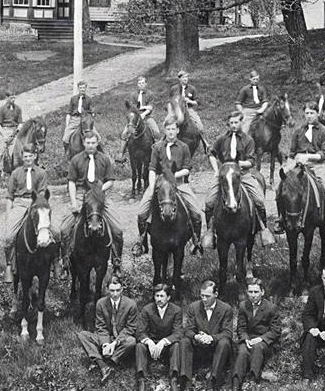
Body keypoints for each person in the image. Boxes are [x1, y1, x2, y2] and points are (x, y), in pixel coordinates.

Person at [135, 118, 204, 256]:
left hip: (179, 183)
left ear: (177, 130)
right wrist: (152, 186)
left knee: (196, 212)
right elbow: (152, 168)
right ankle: (142, 242)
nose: (171, 132)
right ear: (165, 130)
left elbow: (187, 169)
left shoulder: (184, 147)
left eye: (173, 129)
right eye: (168, 129)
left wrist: (173, 175)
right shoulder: (157, 147)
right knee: (142, 212)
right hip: (160, 185)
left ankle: (196, 242)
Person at [60, 132, 124, 277]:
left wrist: (98, 190)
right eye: (88, 143)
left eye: (93, 143)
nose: (90, 146)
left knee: (118, 229)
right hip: (81, 194)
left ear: (97, 143)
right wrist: (74, 202)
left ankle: (116, 262)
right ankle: (65, 263)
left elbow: (110, 180)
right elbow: (71, 182)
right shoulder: (76, 160)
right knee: (64, 229)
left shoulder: (104, 159)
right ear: (84, 143)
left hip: (100, 196)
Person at [280, 101, 325, 235]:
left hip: (318, 165)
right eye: (307, 113)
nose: (309, 116)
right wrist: (288, 166)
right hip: (298, 166)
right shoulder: (298, 131)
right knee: (281, 188)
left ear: (317, 114)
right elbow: (292, 153)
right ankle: (281, 219)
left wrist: (308, 157)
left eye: (312, 113)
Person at [204, 111, 267, 246]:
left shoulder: (248, 140)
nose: (233, 125)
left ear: (241, 122)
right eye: (231, 123)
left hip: (242, 174)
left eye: (236, 122)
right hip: (225, 175)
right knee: (209, 201)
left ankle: (262, 230)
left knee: (259, 200)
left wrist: (239, 165)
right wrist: (217, 170)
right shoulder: (221, 139)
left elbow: (251, 160)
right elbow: (211, 153)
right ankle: (210, 231)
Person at [1, 145, 51, 283]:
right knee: (9, 236)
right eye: (25, 156)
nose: (28, 159)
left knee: (57, 231)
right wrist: (8, 214)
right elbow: (10, 196)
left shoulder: (41, 173)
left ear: (35, 156)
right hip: (20, 203)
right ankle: (10, 265)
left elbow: (42, 193)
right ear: (22, 158)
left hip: (36, 203)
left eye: (30, 156)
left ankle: (57, 261)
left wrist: (37, 207)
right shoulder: (16, 173)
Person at [76, 276, 138, 385]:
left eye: (118, 290)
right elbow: (100, 326)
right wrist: (105, 344)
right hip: (107, 337)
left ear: (122, 289)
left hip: (120, 339)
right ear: (107, 290)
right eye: (112, 290)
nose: (115, 294)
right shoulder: (101, 303)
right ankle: (103, 366)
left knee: (132, 341)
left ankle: (108, 362)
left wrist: (114, 343)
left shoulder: (131, 305)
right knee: (83, 335)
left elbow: (130, 328)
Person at [180, 281, 234, 390]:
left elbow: (227, 332)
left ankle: (213, 381)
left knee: (225, 342)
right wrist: (196, 337)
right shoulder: (193, 307)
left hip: (216, 348)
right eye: (202, 295)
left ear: (216, 294)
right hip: (198, 349)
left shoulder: (226, 309)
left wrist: (211, 338)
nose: (204, 299)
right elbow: (188, 329)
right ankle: (186, 382)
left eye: (207, 296)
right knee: (185, 341)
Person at [231, 278, 281, 389]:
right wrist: (245, 339)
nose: (253, 295)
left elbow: (275, 330)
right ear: (247, 292)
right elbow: (241, 328)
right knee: (242, 351)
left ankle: (253, 380)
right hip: (249, 339)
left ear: (262, 292)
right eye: (250, 292)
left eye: (256, 292)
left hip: (264, 342)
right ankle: (235, 383)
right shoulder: (243, 306)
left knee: (257, 348)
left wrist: (261, 339)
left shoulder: (271, 308)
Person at [135, 284, 183, 391]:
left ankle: (174, 379)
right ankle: (141, 380)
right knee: (139, 346)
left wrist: (164, 341)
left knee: (176, 345)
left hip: (167, 345)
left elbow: (178, 332)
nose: (159, 299)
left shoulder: (176, 310)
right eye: (157, 296)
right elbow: (139, 331)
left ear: (168, 297)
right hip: (151, 345)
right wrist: (149, 342)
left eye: (162, 296)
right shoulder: (147, 309)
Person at [0, 92, 23, 176]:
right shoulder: (1, 109)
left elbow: (20, 122)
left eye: (14, 98)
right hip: (4, 131)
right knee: (2, 147)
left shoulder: (18, 109)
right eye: (11, 98)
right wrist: (4, 135)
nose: (13, 100)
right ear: (6, 98)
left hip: (15, 131)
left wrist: (18, 129)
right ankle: (0, 168)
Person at [235, 70, 269, 135]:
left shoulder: (262, 89)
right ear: (250, 79)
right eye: (254, 79)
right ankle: (243, 139)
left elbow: (265, 101)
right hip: (248, 110)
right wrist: (242, 112)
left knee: (270, 122)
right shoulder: (245, 89)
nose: (256, 81)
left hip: (259, 110)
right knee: (245, 127)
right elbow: (238, 103)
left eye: (257, 79)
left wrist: (262, 109)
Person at [62, 81, 93, 151]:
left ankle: (99, 152)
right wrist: (67, 125)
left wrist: (90, 116)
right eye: (80, 88)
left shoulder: (89, 99)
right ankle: (67, 153)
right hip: (75, 120)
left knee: (97, 136)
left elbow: (91, 111)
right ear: (78, 89)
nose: (82, 89)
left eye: (84, 88)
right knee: (65, 138)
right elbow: (69, 112)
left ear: (86, 88)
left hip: (85, 120)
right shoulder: (73, 99)